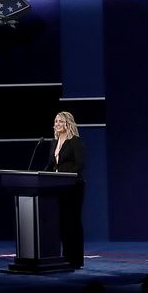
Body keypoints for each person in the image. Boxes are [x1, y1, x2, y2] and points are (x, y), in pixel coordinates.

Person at [46, 111, 86, 268]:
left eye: (60, 121)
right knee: (62, 222)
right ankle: (66, 257)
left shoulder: (75, 142)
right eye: (55, 121)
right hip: (58, 188)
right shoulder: (53, 142)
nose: (57, 124)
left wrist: (64, 176)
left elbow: (80, 164)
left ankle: (76, 260)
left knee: (73, 222)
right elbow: (51, 165)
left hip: (73, 186)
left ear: (68, 123)